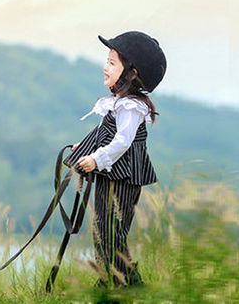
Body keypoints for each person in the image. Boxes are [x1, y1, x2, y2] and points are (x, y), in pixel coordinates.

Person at [64, 31, 166, 287]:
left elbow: (122, 141)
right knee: (103, 230)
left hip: (123, 175)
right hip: (114, 174)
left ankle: (124, 284)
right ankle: (112, 281)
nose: (105, 67)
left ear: (131, 73)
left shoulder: (131, 107)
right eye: (107, 61)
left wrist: (97, 159)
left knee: (111, 232)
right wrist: (84, 146)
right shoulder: (118, 102)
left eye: (112, 62)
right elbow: (106, 134)